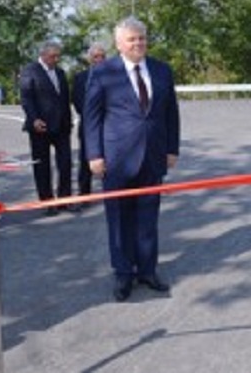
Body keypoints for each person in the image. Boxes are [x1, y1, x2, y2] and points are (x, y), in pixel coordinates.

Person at [84, 17, 180, 302]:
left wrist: (171, 148)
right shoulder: (103, 72)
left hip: (153, 155)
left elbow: (170, 113)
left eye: (141, 38)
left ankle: (148, 270)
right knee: (119, 218)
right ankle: (123, 274)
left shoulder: (162, 70)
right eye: (131, 39)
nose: (138, 43)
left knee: (148, 217)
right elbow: (92, 118)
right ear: (118, 43)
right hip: (116, 158)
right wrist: (94, 155)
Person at [19, 40, 73, 216]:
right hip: (40, 127)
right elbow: (27, 98)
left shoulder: (60, 72)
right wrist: (34, 119)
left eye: (58, 56)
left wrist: (69, 120)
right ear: (42, 54)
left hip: (62, 126)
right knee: (42, 166)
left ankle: (65, 199)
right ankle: (47, 201)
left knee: (65, 163)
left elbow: (64, 99)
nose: (56, 59)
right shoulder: (30, 71)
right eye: (52, 56)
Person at [71, 43, 106, 197]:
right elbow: (77, 100)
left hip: (109, 124)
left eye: (102, 56)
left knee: (111, 160)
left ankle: (111, 192)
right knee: (86, 160)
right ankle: (84, 194)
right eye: (95, 57)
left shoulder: (115, 75)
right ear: (89, 59)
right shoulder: (80, 78)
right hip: (88, 125)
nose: (99, 59)